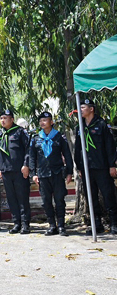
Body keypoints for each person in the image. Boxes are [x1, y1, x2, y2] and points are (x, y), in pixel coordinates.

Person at [73, 98, 117, 235]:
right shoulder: (79, 127)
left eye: (83, 107)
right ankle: (96, 224)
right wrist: (79, 166)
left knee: (108, 195)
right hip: (87, 168)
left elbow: (110, 146)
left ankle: (114, 223)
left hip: (102, 167)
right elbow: (78, 149)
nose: (80, 110)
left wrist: (112, 165)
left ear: (91, 109)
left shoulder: (102, 125)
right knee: (90, 197)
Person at [27, 111, 74, 236]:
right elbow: (32, 157)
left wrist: (69, 172)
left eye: (45, 120)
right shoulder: (36, 138)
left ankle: (62, 226)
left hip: (57, 173)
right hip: (42, 175)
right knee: (46, 201)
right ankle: (52, 225)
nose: (42, 122)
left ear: (51, 122)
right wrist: (34, 174)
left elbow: (67, 155)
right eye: (41, 120)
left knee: (59, 200)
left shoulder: (59, 136)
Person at [0, 108, 32, 234]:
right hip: (6, 171)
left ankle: (25, 224)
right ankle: (16, 223)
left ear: (12, 119)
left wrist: (26, 165)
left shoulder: (20, 132)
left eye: (5, 118)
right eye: (1, 118)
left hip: (19, 170)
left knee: (22, 197)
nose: (2, 121)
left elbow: (28, 150)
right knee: (11, 198)